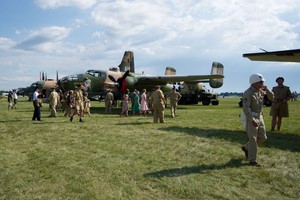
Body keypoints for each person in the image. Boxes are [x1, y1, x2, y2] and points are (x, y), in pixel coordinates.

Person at [241, 73, 273, 167]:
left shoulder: (260, 91)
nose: (262, 83)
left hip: (260, 117)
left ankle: (247, 147)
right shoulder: (248, 92)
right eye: (260, 82)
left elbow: (272, 98)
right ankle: (252, 160)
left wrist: (267, 89)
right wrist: (252, 120)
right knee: (253, 139)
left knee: (263, 137)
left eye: (262, 82)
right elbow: (246, 108)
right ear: (254, 82)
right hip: (252, 117)